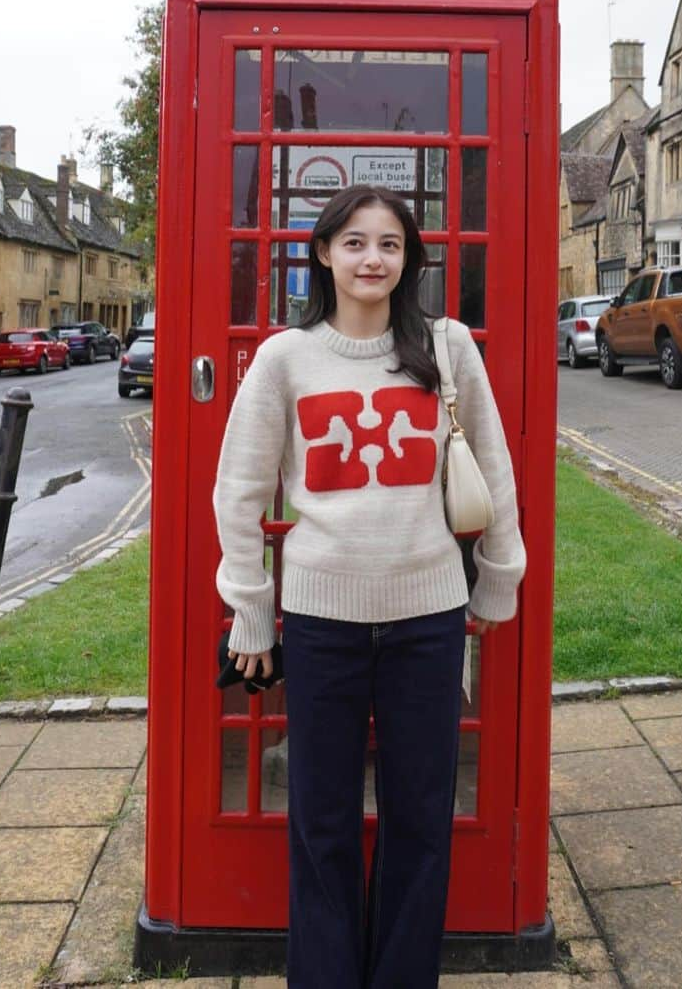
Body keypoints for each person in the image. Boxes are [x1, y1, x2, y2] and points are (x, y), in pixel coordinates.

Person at [213, 183, 526, 989]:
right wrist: (250, 611)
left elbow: (494, 468)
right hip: (322, 621)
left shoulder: (448, 346)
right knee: (321, 822)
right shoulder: (286, 358)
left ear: (408, 259)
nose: (371, 259)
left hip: (428, 617)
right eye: (353, 242)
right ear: (322, 253)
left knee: (422, 820)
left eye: (389, 244)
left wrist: (500, 578)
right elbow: (238, 493)